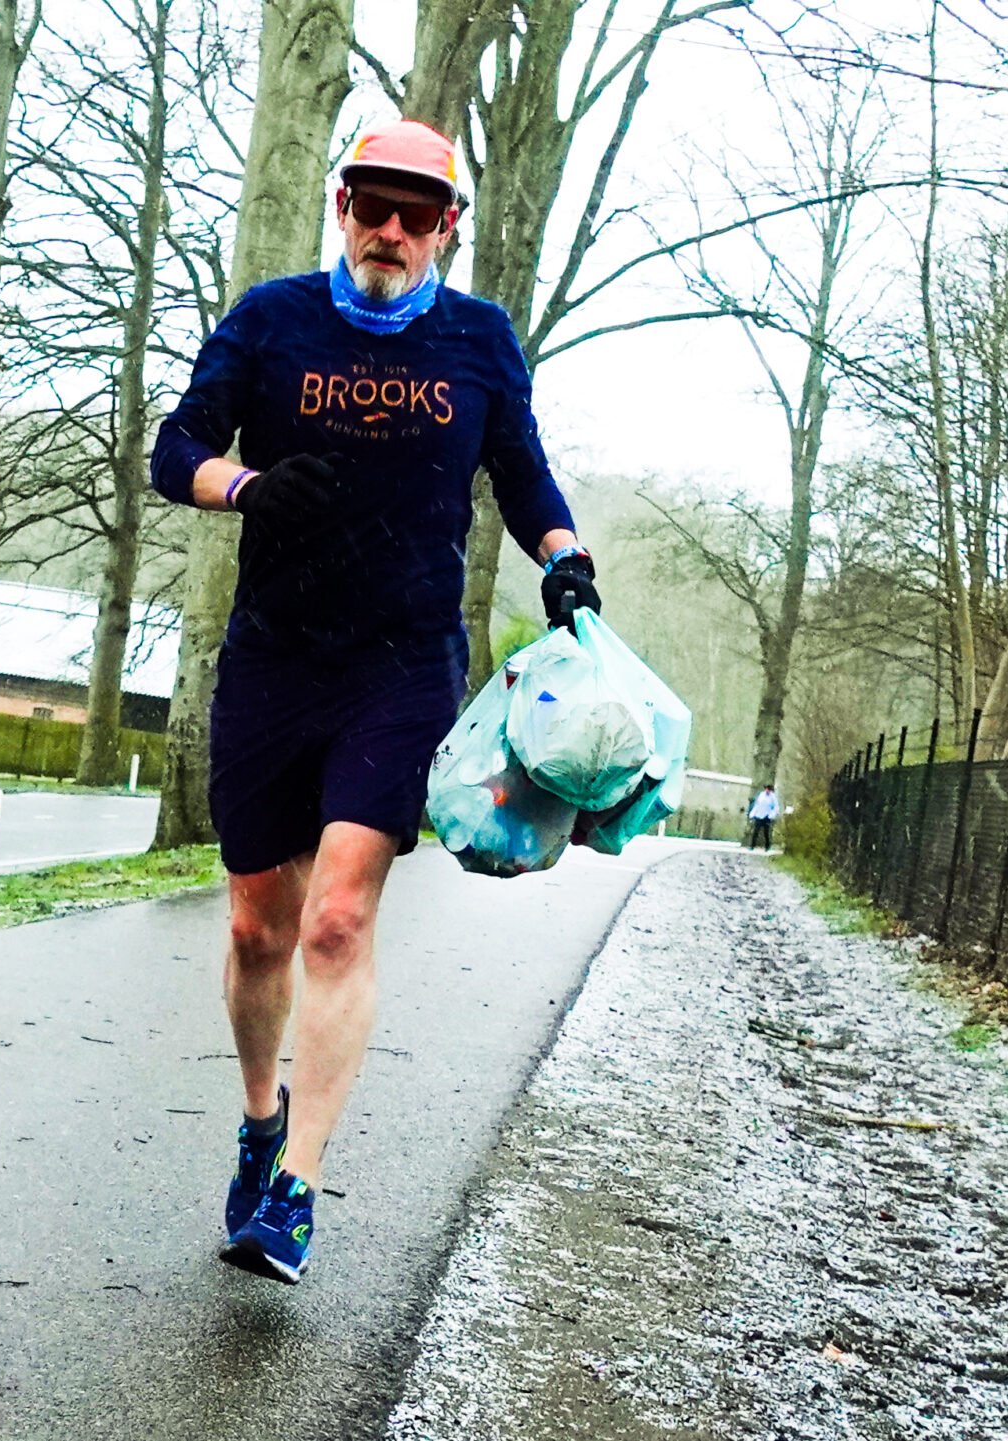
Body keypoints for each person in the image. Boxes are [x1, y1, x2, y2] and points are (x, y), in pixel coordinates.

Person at [148, 117, 601, 1284]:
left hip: (400, 663)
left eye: (415, 213)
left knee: (338, 916)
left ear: (446, 225)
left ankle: (293, 1189)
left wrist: (563, 555)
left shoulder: (478, 341)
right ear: (341, 206)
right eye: (369, 205)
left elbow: (524, 471)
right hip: (274, 654)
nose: (388, 231)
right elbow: (175, 447)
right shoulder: (272, 318)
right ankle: (259, 1126)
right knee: (259, 921)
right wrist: (246, 484)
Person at [746, 785, 779, 851]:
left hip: (767, 816)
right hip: (759, 815)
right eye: (767, 789)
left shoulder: (773, 797)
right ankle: (752, 846)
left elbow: (776, 807)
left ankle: (767, 846)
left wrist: (771, 815)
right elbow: (757, 805)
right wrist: (752, 814)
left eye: (769, 790)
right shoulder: (761, 795)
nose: (767, 791)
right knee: (755, 832)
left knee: (766, 833)